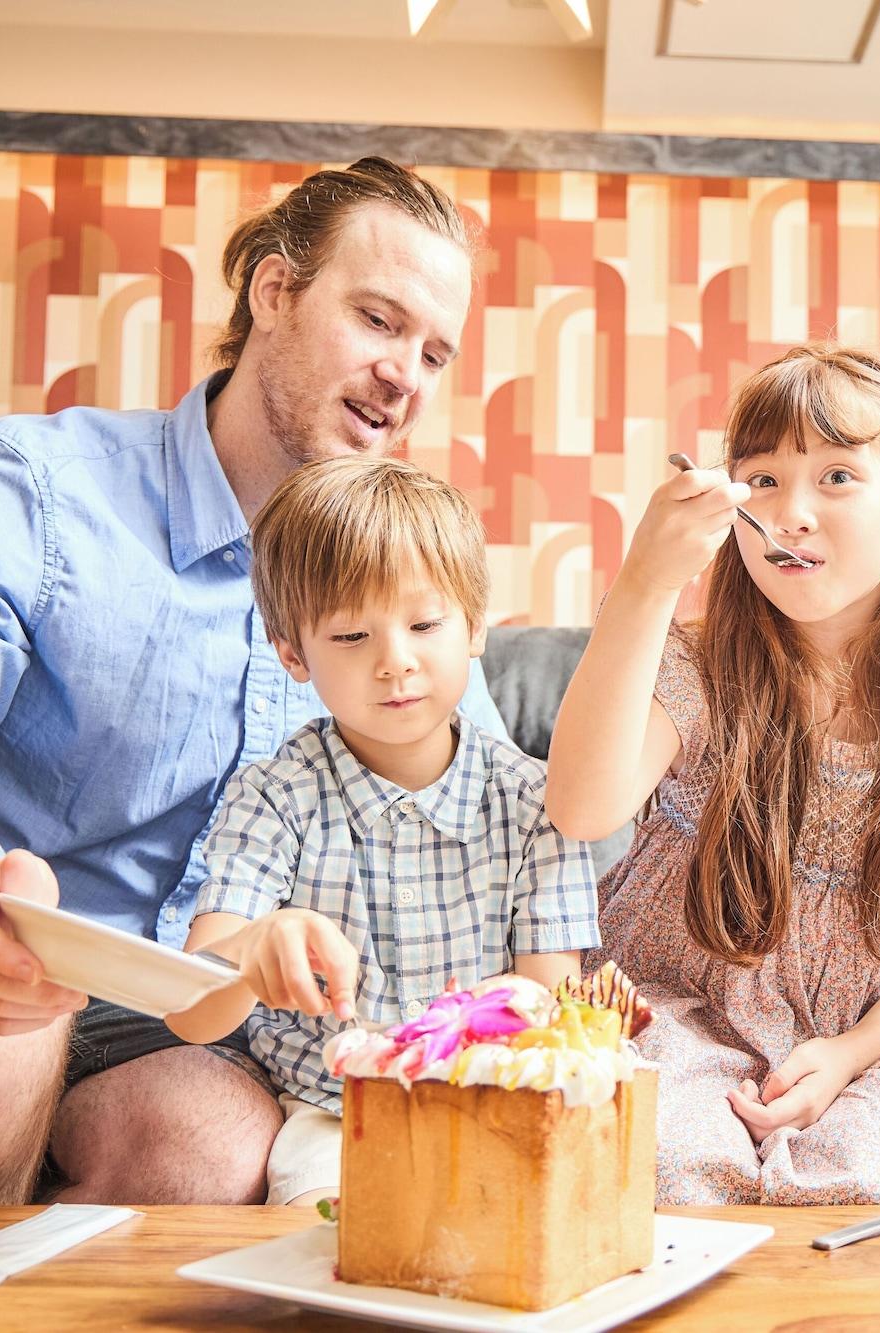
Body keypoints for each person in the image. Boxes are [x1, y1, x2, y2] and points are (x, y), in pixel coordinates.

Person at [0, 158, 510, 1206]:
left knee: (208, 1148)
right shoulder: (28, 488)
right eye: (377, 319)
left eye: (433, 350)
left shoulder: (400, 592)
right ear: (273, 293)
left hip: (158, 1002)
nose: (405, 371)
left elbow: (497, 814)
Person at [548, 344, 880, 1205]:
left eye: (835, 477)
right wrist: (645, 581)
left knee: (878, 1185)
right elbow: (579, 805)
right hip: (684, 1009)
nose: (791, 513)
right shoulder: (694, 670)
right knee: (668, 1166)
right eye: (761, 480)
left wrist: (849, 1054)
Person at [164, 457, 598, 1206]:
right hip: (333, 1114)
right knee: (329, 1227)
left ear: (475, 627)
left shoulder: (537, 803)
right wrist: (246, 951)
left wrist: (456, 1032)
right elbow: (192, 1012)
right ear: (293, 654)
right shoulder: (275, 796)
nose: (396, 661)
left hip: (495, 1099)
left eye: (425, 624)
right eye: (353, 635)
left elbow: (549, 1004)